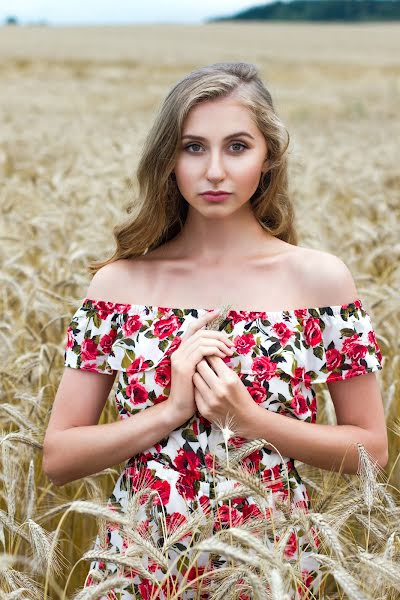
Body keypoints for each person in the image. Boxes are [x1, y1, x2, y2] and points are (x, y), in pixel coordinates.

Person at [43, 61, 387, 599]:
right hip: (140, 565)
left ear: (268, 155)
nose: (215, 172)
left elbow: (371, 448)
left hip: (270, 563)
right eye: (193, 147)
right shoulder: (119, 285)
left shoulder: (318, 280)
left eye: (237, 146)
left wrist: (248, 419)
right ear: (168, 159)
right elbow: (59, 456)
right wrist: (172, 412)